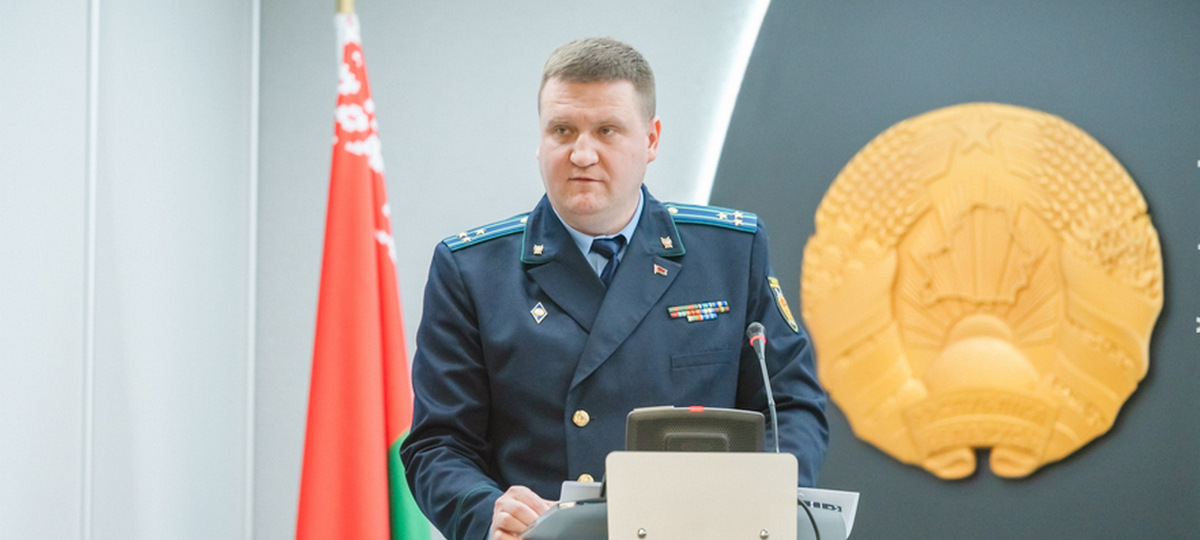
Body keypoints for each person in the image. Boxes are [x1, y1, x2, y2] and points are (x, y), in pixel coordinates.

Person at [400, 37, 828, 540]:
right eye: (562, 130)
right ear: (540, 140)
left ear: (651, 140)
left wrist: (762, 505)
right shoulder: (472, 270)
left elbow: (790, 406)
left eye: (607, 130)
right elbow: (438, 444)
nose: (582, 154)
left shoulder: (730, 253)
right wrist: (486, 512)